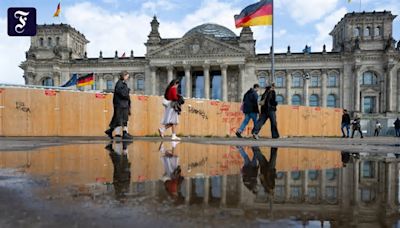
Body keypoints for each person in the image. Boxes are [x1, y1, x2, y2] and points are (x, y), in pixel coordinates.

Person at [105, 71, 133, 140]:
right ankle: (119, 132)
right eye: (127, 76)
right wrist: (127, 91)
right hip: (121, 105)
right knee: (119, 120)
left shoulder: (122, 83)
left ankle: (123, 133)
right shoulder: (119, 83)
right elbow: (122, 93)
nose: (128, 77)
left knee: (123, 119)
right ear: (124, 76)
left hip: (123, 104)